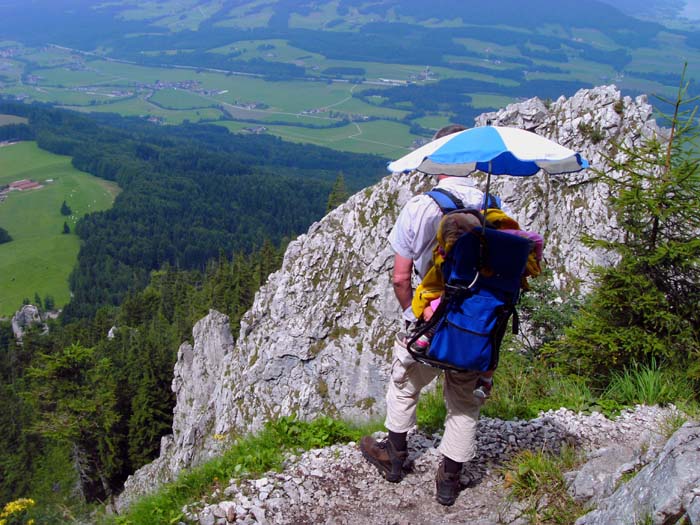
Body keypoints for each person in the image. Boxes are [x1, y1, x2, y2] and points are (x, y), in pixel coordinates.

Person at [359, 124, 487, 507]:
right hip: (474, 325)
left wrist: (411, 315)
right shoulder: (491, 206)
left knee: (405, 382)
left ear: (438, 158)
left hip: (431, 318)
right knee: (464, 399)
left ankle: (394, 457)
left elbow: (400, 277)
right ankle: (449, 480)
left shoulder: (421, 206)